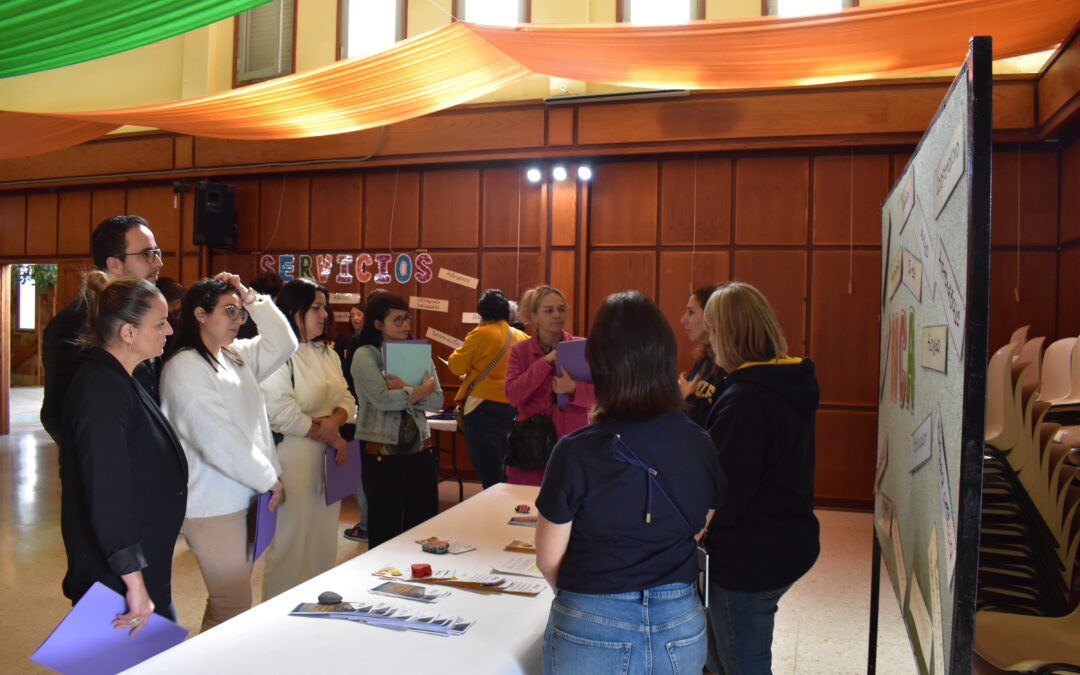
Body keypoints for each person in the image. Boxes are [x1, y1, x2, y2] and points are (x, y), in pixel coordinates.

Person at [535, 290, 725, 675]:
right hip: (680, 620)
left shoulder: (576, 451)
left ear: (600, 364)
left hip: (591, 617)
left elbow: (548, 558)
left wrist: (594, 602)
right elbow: (700, 522)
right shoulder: (699, 442)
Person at [160, 272, 297, 631]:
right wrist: (269, 477)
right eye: (229, 311)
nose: (238, 320)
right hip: (212, 506)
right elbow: (217, 438)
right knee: (231, 603)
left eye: (240, 313)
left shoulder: (235, 356)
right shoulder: (185, 367)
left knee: (230, 604)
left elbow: (285, 344)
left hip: (247, 495)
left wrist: (252, 298)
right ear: (200, 315)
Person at [701, 282, 820, 674]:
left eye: (713, 329)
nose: (709, 340)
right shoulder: (782, 380)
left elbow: (724, 495)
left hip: (749, 559)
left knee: (742, 663)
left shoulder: (745, 400)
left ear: (731, 334)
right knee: (719, 654)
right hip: (786, 538)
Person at [60, 271, 186, 634]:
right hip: (117, 574)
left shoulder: (122, 378)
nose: (169, 331)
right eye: (160, 323)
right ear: (128, 332)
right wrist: (134, 582)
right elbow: (107, 490)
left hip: (144, 562)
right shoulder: (100, 390)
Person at [259, 280, 355, 599]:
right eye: (316, 308)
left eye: (324, 307)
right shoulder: (278, 354)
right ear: (293, 311)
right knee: (291, 537)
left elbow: (348, 399)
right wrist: (329, 433)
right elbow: (281, 412)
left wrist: (335, 426)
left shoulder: (326, 353)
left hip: (331, 455)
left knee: (324, 536)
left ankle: (319, 601)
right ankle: (278, 608)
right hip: (294, 455)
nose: (324, 314)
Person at [41, 215, 164, 443]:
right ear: (114, 265)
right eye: (147, 254)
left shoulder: (144, 315)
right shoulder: (72, 322)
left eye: (157, 253)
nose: (158, 263)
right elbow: (56, 414)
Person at [350, 293, 443, 548]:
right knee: (385, 527)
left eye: (407, 319)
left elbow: (437, 401)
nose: (405, 325)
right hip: (381, 452)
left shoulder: (417, 352)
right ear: (378, 324)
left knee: (423, 525)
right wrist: (418, 390)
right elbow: (383, 400)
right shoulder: (365, 356)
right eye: (398, 319)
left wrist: (406, 390)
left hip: (419, 449)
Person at [504, 285, 594, 485]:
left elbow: (600, 395)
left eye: (562, 309)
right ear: (533, 316)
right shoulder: (520, 350)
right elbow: (513, 395)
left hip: (573, 441)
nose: (557, 315)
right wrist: (544, 363)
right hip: (532, 443)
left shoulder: (582, 347)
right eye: (549, 310)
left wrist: (573, 388)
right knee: (526, 506)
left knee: (573, 503)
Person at [447, 289, 528, 488]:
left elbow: (456, 366)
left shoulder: (480, 334)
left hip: (481, 406)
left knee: (488, 471)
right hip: (512, 406)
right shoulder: (522, 336)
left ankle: (492, 512)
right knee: (507, 468)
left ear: (482, 313)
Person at [678, 284, 728, 429]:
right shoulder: (705, 360)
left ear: (711, 316)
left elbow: (713, 427)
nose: (683, 320)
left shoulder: (731, 368)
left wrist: (688, 397)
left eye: (691, 312)